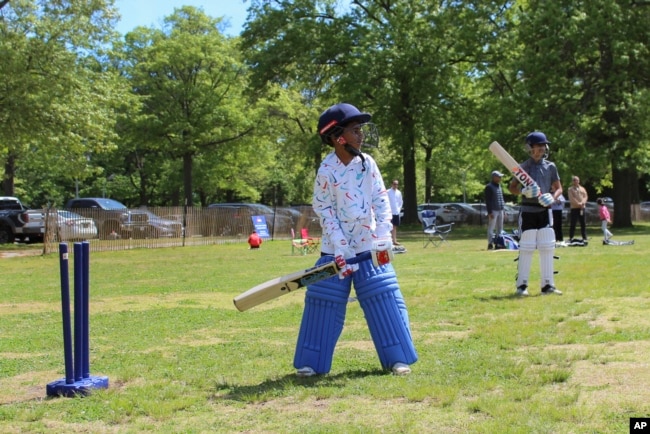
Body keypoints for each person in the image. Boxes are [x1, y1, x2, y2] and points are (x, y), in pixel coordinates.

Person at [293, 102, 418, 377]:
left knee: (383, 295)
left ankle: (397, 358)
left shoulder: (368, 163)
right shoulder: (326, 169)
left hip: (368, 246)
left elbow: (380, 200)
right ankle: (311, 363)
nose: (361, 135)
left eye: (361, 129)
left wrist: (384, 235)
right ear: (338, 137)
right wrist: (339, 245)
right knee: (323, 300)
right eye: (355, 130)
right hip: (335, 250)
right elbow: (323, 208)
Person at [507, 131, 563, 296]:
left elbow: (559, 188)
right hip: (528, 211)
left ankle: (548, 285)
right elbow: (512, 188)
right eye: (538, 146)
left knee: (547, 245)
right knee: (527, 246)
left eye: (543, 146)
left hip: (545, 210)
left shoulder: (550, 166)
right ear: (529, 148)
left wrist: (552, 197)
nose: (541, 149)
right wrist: (524, 191)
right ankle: (522, 285)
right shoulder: (523, 167)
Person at [485, 170, 505, 250]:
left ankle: (498, 243)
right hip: (493, 210)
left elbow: (501, 199)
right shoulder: (489, 187)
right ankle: (490, 243)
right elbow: (488, 200)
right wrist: (489, 212)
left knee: (500, 227)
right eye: (498, 176)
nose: (500, 178)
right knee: (491, 227)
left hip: (500, 209)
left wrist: (504, 210)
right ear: (494, 177)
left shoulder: (499, 186)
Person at [568, 176, 588, 243]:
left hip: (582, 208)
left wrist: (582, 203)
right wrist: (578, 204)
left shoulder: (582, 189)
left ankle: (584, 237)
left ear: (579, 181)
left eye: (576, 180)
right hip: (574, 208)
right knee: (573, 223)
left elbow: (585, 196)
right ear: (572, 181)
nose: (575, 181)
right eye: (574, 180)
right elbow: (571, 198)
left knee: (583, 223)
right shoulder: (570, 189)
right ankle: (571, 237)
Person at [387, 179, 404, 247]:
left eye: (396, 184)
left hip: (396, 212)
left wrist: (399, 209)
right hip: (389, 212)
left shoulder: (399, 192)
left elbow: (400, 202)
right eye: (394, 184)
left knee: (394, 227)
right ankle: (389, 240)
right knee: (388, 226)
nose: (395, 185)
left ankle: (394, 240)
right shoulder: (388, 192)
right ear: (392, 184)